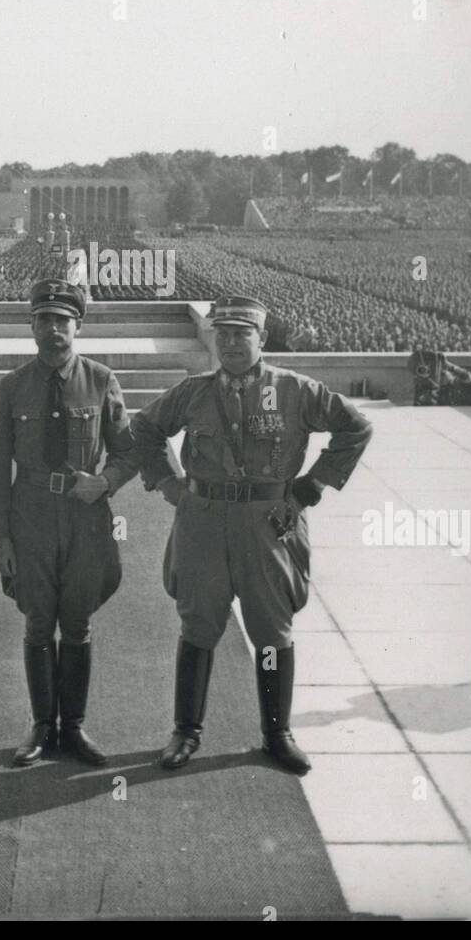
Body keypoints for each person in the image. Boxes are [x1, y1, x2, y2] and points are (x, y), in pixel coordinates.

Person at [132, 294, 372, 774]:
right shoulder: (194, 392)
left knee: (271, 629)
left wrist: (309, 487)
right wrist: (168, 483)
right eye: (224, 334)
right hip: (203, 521)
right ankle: (185, 731)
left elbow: (356, 427)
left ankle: (277, 734)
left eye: (243, 334)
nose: (233, 343)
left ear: (262, 339)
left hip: (269, 524)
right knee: (198, 623)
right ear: (214, 338)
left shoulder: (295, 390)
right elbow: (143, 428)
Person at [0, 278, 140, 767]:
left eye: (62, 321)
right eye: (44, 320)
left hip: (84, 518)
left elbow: (129, 451)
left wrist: (107, 482)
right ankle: (39, 727)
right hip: (30, 515)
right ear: (32, 326)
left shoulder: (100, 380)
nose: (54, 330)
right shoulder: (13, 387)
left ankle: (72, 728)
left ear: (78, 326)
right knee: (36, 622)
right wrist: (0, 535)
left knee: (76, 622)